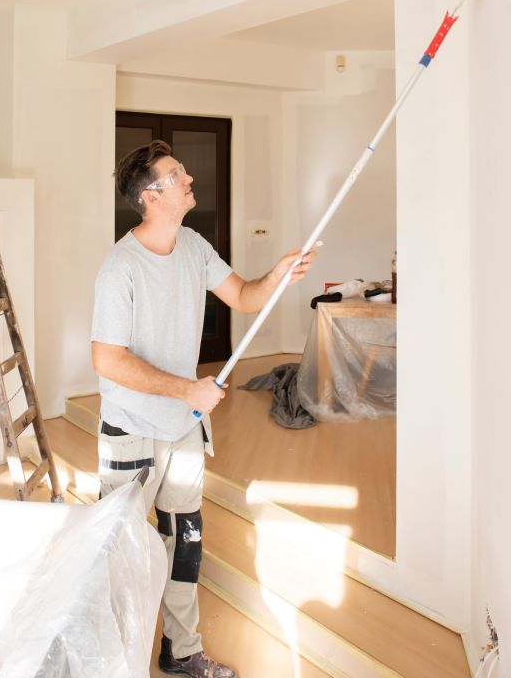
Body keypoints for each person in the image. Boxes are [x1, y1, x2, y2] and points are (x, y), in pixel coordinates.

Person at [91, 140, 315, 678]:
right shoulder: (120, 268)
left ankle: (181, 649)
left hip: (183, 428)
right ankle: (104, 658)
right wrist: (188, 390)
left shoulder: (192, 245)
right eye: (176, 173)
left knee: (184, 540)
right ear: (151, 196)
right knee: (118, 548)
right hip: (133, 431)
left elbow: (243, 295)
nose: (189, 176)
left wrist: (277, 276)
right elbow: (107, 360)